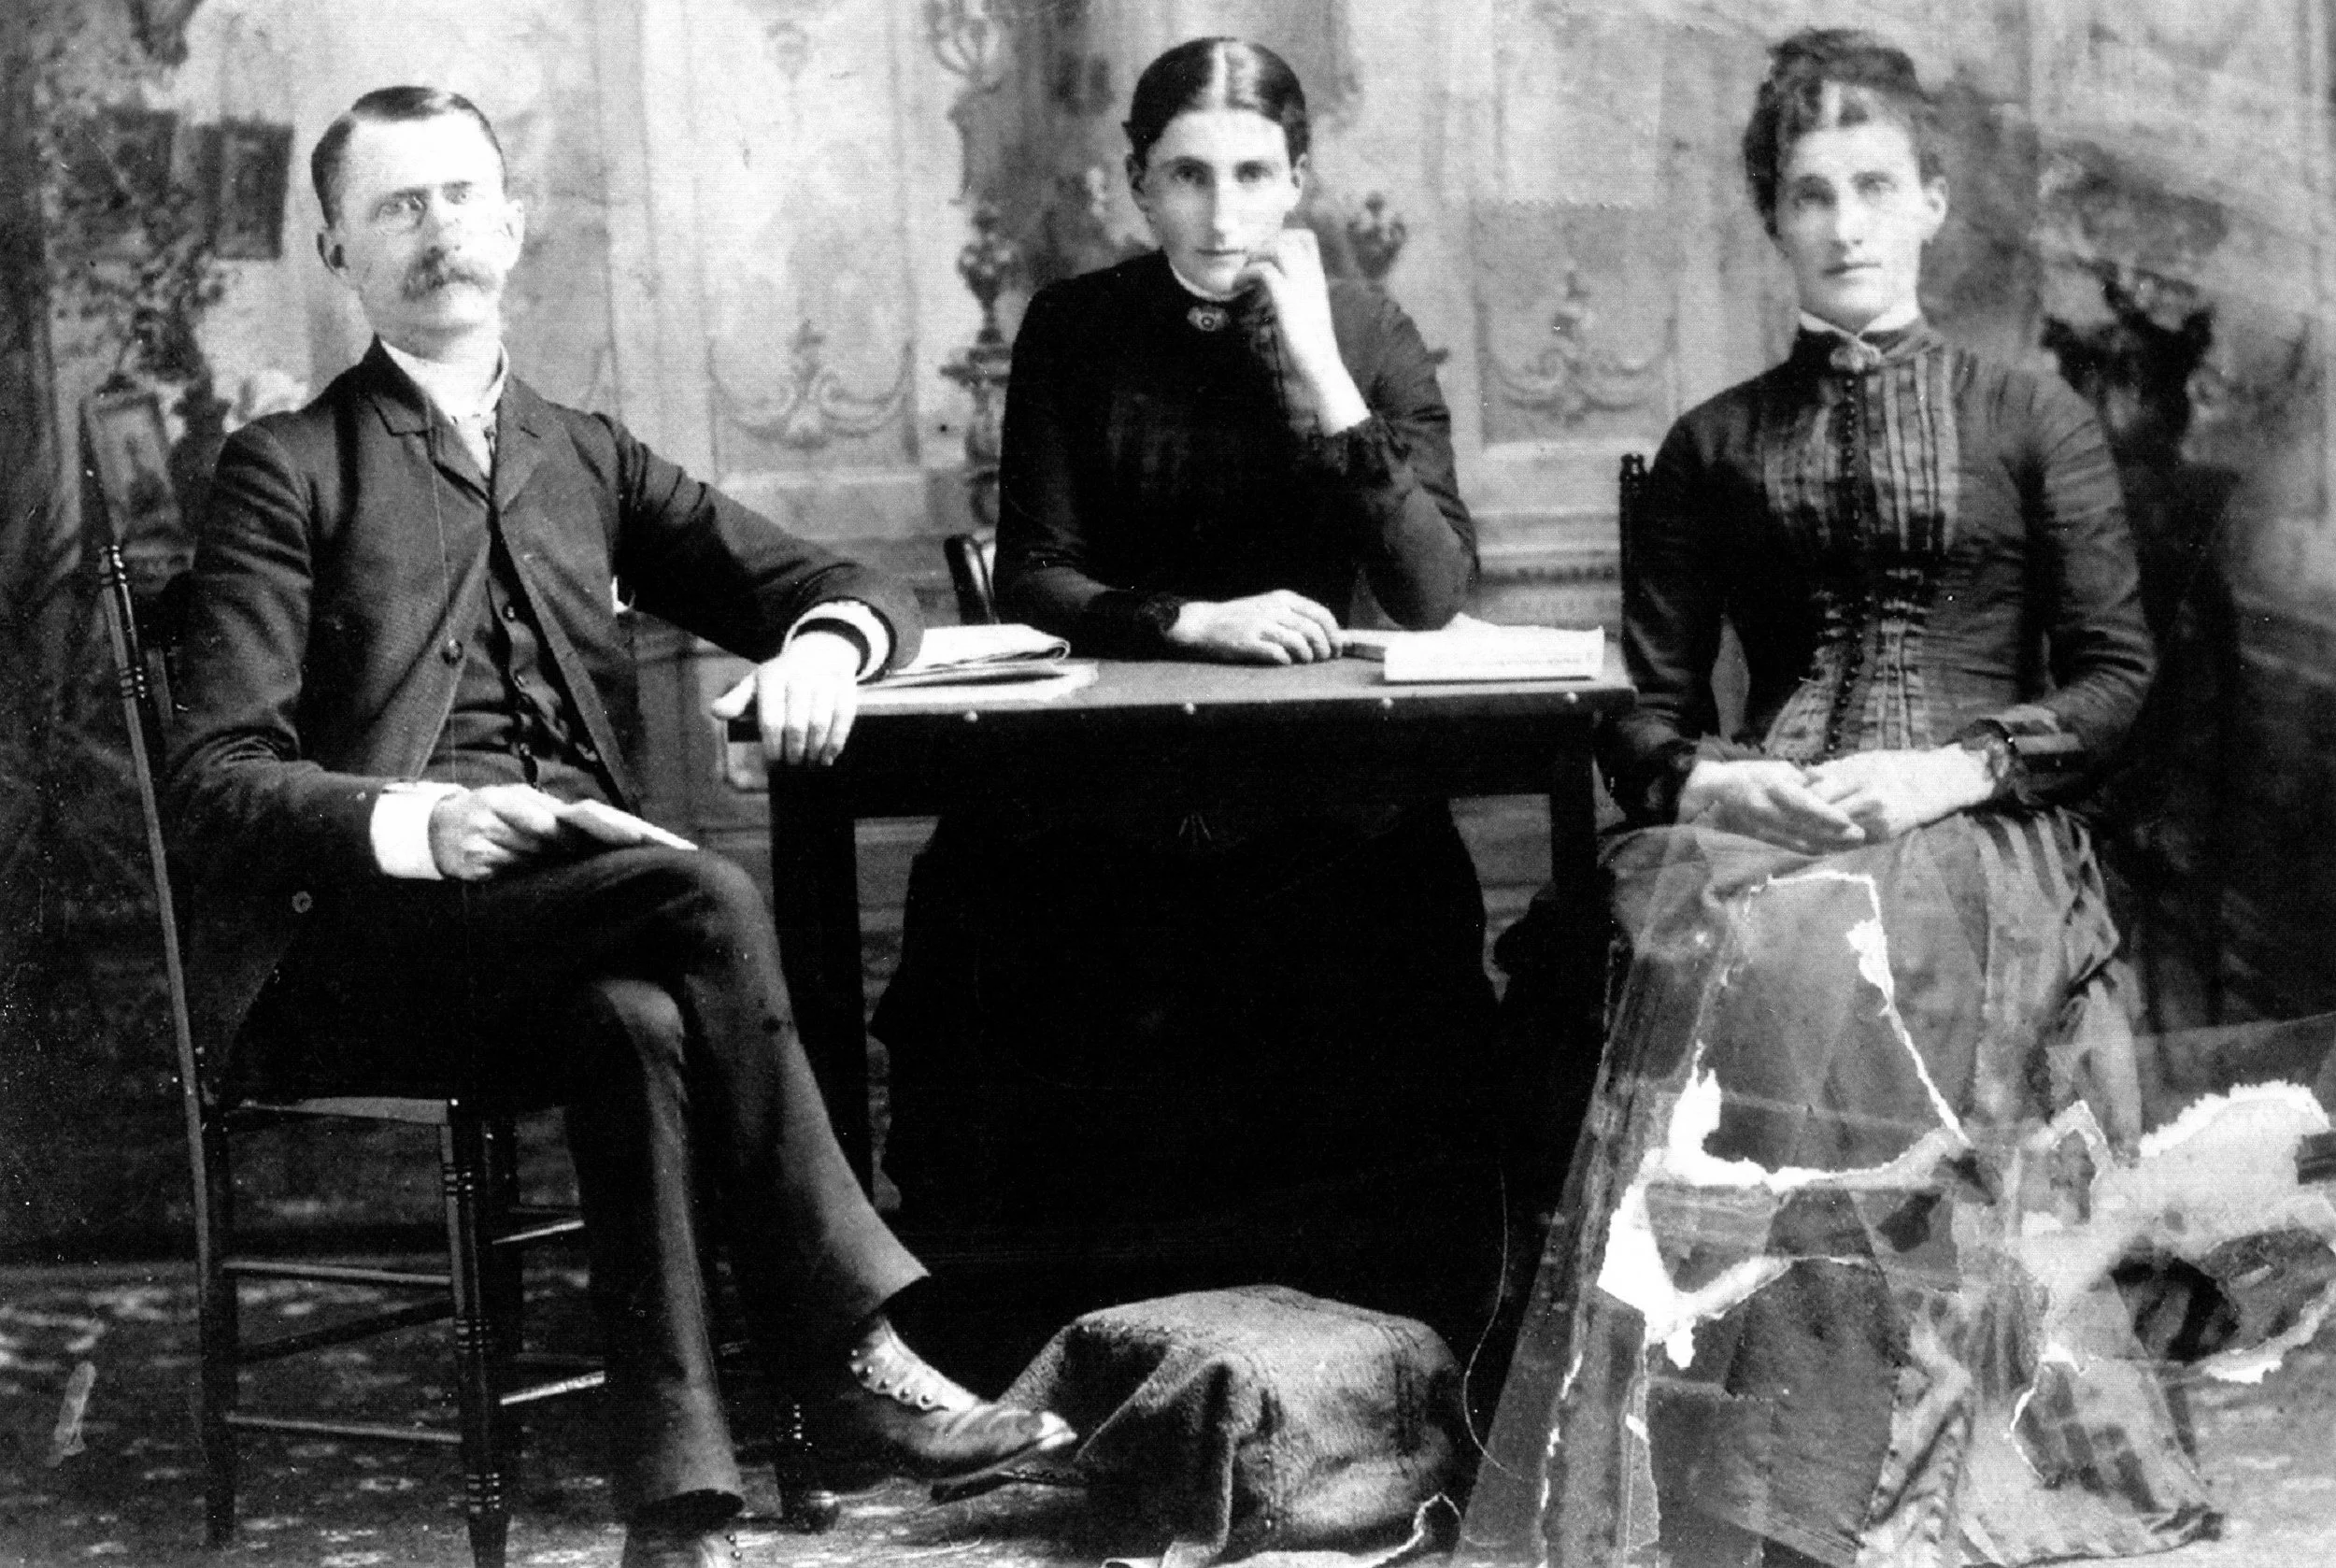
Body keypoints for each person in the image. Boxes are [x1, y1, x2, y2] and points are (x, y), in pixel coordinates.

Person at [164, 87, 1068, 1568]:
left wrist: (824, 648)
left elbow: (842, 584)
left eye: (463, 195)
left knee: (634, 1020)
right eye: (398, 206)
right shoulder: (289, 465)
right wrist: (423, 818)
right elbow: (215, 777)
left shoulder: (585, 453)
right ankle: (847, 1354)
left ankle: (679, 1506)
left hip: (560, 938)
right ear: (336, 250)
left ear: (514, 225)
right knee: (701, 894)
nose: (440, 231)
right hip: (362, 955)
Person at [1462, 31, 2211, 1568]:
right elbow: (1647, 713)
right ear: (1775, 218)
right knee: (1676, 934)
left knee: (1848, 945)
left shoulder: (2032, 419)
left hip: (1979, 824)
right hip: (1769, 821)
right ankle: (1725, 1461)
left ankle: (1849, 1480)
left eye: (1877, 187)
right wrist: (1723, 778)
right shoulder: (1713, 441)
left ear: (1934, 201)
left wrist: (1952, 765)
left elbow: (2120, 675)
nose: (1847, 224)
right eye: (1813, 194)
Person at [874, 38, 1500, 1304]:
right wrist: (1193, 621)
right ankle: (1046, 1312)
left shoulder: (1371, 331)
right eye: (1188, 176)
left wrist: (1322, 367)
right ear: (1138, 185)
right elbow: (1037, 572)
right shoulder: (1076, 327)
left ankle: (1365, 1304)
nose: (1223, 214)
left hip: (1318, 786)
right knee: (1017, 928)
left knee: (1385, 930)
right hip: (1112, 778)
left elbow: (1433, 593)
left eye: (1255, 175)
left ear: (1298, 182)